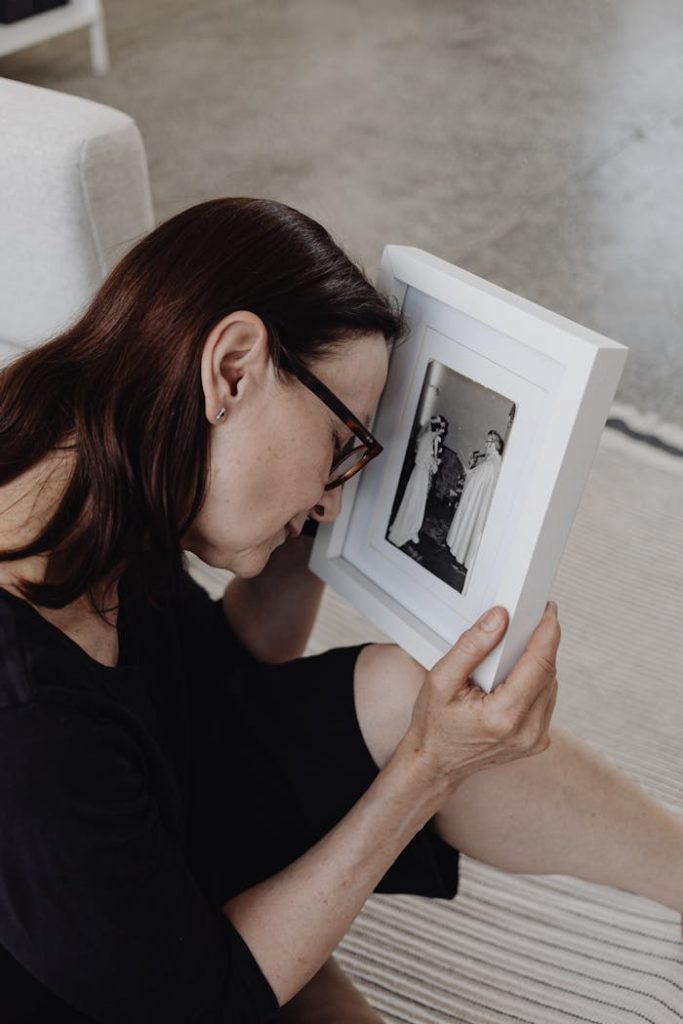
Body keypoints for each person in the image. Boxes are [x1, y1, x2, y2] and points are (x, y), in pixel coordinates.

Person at [0, 199, 680, 1024]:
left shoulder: (90, 460)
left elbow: (215, 678)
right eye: (340, 444)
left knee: (406, 691)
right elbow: (195, 1002)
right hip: (91, 981)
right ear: (234, 368)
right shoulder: (28, 716)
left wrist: (311, 536)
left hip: (146, 835)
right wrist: (428, 770)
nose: (332, 498)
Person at [446, 429, 503, 570]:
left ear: (493, 444)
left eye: (488, 441)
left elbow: (474, 483)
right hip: (482, 504)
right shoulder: (496, 461)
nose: (485, 444)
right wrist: (472, 469)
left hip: (476, 504)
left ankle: (460, 559)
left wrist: (468, 471)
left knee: (468, 526)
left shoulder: (490, 464)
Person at [387, 415, 446, 549]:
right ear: (437, 427)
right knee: (414, 500)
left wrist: (434, 462)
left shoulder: (432, 439)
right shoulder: (428, 439)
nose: (443, 430)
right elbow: (421, 459)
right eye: (442, 427)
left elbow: (428, 457)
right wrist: (434, 465)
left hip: (422, 474)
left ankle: (413, 529)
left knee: (418, 502)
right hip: (420, 474)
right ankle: (407, 529)